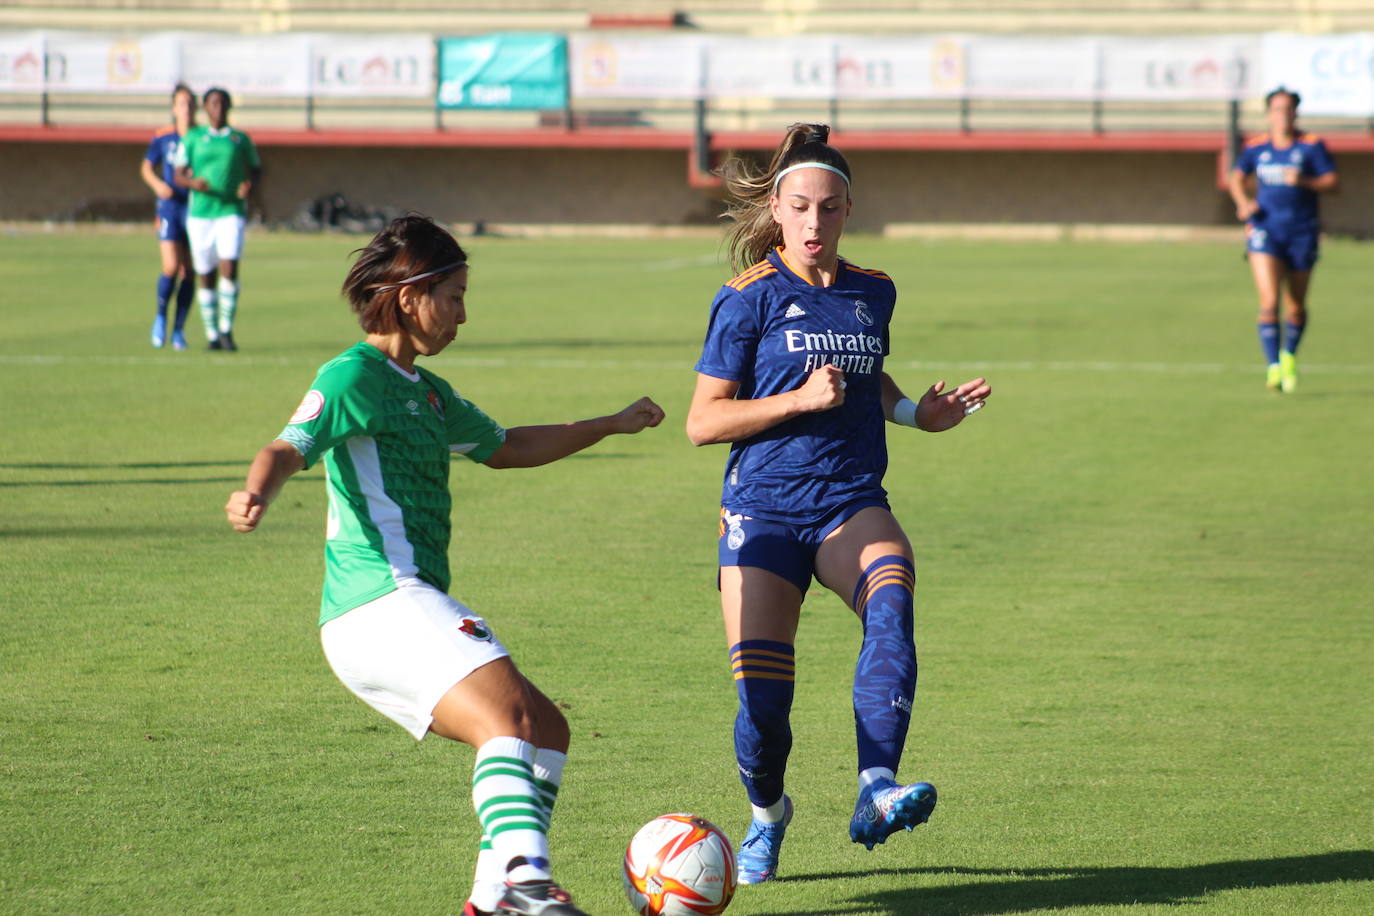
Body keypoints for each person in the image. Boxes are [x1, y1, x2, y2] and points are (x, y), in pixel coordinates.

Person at [225, 214, 665, 916]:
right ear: (409, 297)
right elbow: (286, 447)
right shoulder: (352, 376)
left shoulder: (428, 393)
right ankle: (525, 880)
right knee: (510, 718)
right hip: (377, 602)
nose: (463, 314)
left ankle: (492, 899)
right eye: (454, 296)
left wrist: (606, 423)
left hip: (404, 603)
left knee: (547, 730)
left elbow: (508, 446)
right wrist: (256, 492)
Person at [685, 123, 991, 885]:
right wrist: (794, 401)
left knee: (892, 596)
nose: (814, 223)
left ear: (848, 209)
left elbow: (870, 380)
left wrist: (921, 414)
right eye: (800, 208)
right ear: (777, 213)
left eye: (829, 209)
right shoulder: (747, 298)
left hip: (850, 500)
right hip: (761, 509)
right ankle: (766, 815)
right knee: (763, 707)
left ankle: (876, 788)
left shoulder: (872, 291)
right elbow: (703, 422)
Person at [1228, 86, 1339, 393]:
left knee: (1296, 306)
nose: (1283, 115)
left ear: (1296, 113)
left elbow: (1333, 182)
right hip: (1266, 229)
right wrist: (1243, 203)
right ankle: (1273, 367)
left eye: (1288, 109)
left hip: (1302, 232)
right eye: (1277, 109)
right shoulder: (1256, 148)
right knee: (1268, 301)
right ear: (1268, 114)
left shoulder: (1311, 147)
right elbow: (1235, 177)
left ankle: (1289, 354)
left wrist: (1304, 180)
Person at [173, 86, 261, 351]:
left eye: (223, 103)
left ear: (229, 107)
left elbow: (256, 169)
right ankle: (211, 334)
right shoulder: (193, 137)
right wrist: (191, 182)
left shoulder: (239, 139)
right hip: (200, 214)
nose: (218, 107)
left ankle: (226, 330)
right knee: (205, 274)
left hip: (230, 210)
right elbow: (177, 173)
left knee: (230, 267)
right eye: (213, 103)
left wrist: (249, 185)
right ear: (205, 107)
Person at [139, 83, 198, 350]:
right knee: (171, 267)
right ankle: (161, 317)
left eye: (190, 103)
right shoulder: (164, 137)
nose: (187, 109)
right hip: (170, 208)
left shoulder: (201, 136)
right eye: (182, 104)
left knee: (190, 271)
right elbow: (147, 167)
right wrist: (158, 185)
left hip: (196, 209)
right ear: (174, 108)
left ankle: (179, 330)